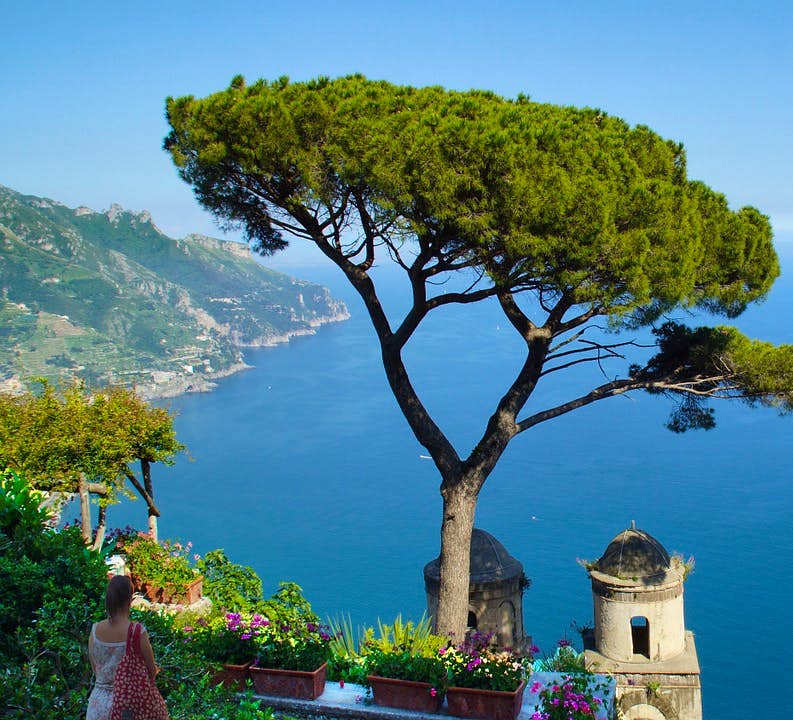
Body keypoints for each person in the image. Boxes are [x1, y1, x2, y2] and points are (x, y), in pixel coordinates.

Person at [86, 575, 159, 720]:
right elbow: (151, 671)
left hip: (97, 704)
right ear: (129, 600)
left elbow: (96, 669)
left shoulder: (94, 631)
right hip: (127, 707)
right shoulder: (137, 631)